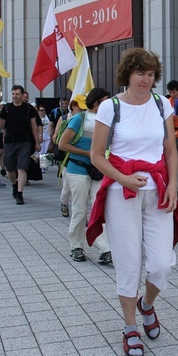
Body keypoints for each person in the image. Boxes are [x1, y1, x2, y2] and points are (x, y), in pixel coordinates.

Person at [87, 47, 178, 356]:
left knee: (162, 263)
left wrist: (173, 187)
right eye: (140, 72)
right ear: (128, 73)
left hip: (157, 190)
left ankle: (148, 305)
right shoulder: (110, 108)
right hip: (120, 191)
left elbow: (170, 150)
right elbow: (97, 155)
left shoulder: (161, 104)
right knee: (128, 263)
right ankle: (130, 326)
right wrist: (123, 179)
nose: (146, 78)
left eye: (151, 73)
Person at [59, 89, 112, 265]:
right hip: (78, 169)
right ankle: (76, 246)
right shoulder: (79, 119)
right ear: (96, 103)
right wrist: (88, 153)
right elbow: (62, 144)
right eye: (105, 101)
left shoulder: (107, 121)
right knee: (80, 209)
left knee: (99, 210)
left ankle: (105, 249)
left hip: (98, 170)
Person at [0, 85, 39, 204]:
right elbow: (0, 125)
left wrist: (36, 142)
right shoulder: (7, 108)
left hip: (24, 142)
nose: (15, 96)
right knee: (10, 170)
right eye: (13, 94)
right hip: (10, 142)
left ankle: (20, 194)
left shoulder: (28, 108)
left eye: (17, 94)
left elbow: (34, 126)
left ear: (22, 95)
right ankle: (14, 184)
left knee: (22, 167)